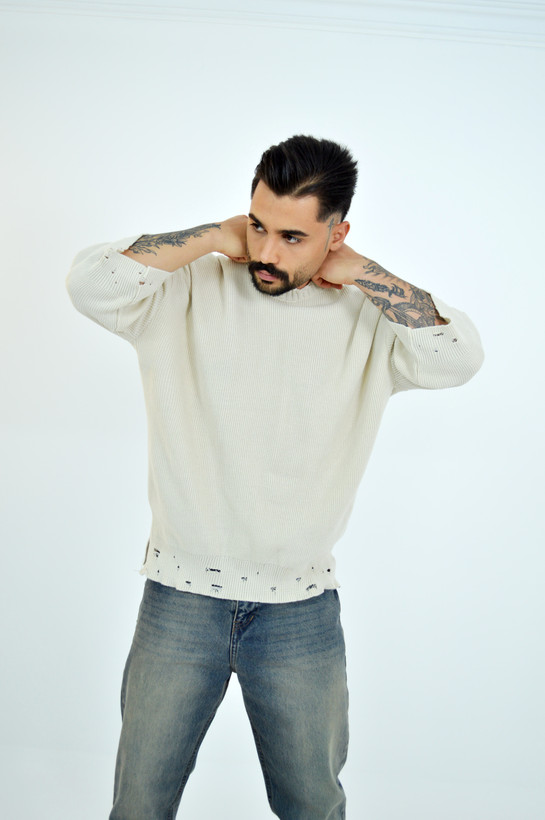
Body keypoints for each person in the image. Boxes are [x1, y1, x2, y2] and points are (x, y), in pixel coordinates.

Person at [66, 135, 483, 819]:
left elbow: (458, 357)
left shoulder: (369, 318)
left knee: (312, 805)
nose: (266, 251)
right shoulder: (187, 288)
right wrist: (215, 235)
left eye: (293, 236)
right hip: (179, 596)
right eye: (258, 225)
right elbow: (91, 283)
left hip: (299, 609)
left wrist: (365, 273)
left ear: (336, 233)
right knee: (139, 803)